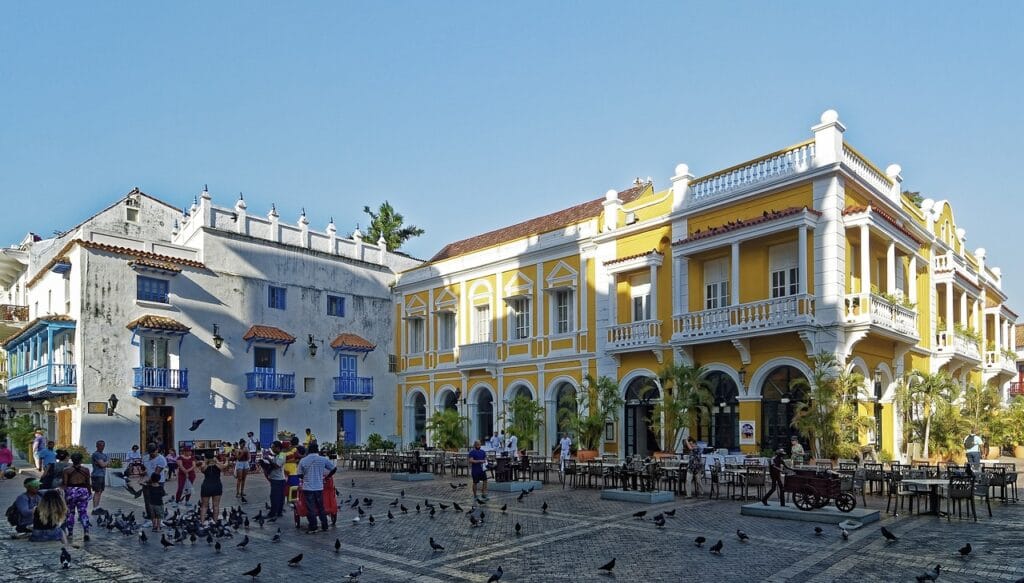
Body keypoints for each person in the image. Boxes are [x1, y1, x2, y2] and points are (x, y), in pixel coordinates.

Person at [296, 443, 336, 533]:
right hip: (319, 487)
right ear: (317, 450)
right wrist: (327, 477)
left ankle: (313, 526)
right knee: (321, 507)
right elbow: (334, 469)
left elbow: (299, 474)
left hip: (308, 488)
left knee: (311, 508)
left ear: (308, 450)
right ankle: (324, 525)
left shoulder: (303, 460)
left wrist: (305, 478)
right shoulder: (323, 459)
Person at [61, 452, 93, 540]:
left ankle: (70, 533)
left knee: (70, 513)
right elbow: (88, 483)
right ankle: (86, 532)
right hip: (83, 491)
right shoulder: (86, 470)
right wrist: (89, 493)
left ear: (72, 460)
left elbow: (65, 483)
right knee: (83, 512)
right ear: (81, 460)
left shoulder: (66, 470)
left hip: (71, 491)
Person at [141, 443, 167, 530]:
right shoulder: (145, 458)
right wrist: (143, 473)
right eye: (150, 452)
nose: (152, 454)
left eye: (153, 452)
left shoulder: (161, 459)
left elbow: (156, 474)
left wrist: (146, 482)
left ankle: (159, 520)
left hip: (157, 482)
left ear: (157, 450)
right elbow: (146, 469)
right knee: (148, 501)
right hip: (147, 481)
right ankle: (150, 519)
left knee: (157, 502)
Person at [196, 453, 229, 521]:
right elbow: (224, 466)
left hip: (206, 486)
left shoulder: (204, 465)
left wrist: (206, 462)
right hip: (217, 486)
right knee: (216, 506)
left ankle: (202, 523)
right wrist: (225, 460)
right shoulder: (218, 465)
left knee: (204, 506)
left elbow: (202, 469)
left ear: (205, 458)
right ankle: (215, 522)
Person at [265, 441, 287, 519]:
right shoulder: (278, 455)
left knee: (274, 497)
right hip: (277, 479)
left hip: (278, 480)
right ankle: (278, 512)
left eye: (273, 447)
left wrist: (269, 459)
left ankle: (273, 513)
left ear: (278, 448)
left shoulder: (281, 455)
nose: (272, 448)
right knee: (280, 497)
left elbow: (277, 465)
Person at [90, 440, 108, 509]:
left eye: (103, 445)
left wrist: (104, 463)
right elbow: (103, 465)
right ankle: (95, 508)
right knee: (97, 491)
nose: (102, 447)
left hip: (102, 475)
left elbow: (103, 464)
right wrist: (107, 462)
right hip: (97, 475)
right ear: (97, 446)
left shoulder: (103, 455)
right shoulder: (96, 454)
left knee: (100, 491)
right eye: (100, 445)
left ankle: (97, 506)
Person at [283, 436, 302, 502]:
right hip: (293, 471)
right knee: (294, 485)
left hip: (285, 471)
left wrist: (287, 461)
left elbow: (280, 461)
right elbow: (300, 456)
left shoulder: (281, 453)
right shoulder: (294, 450)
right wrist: (294, 461)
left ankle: (287, 499)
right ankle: (292, 500)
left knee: (286, 486)